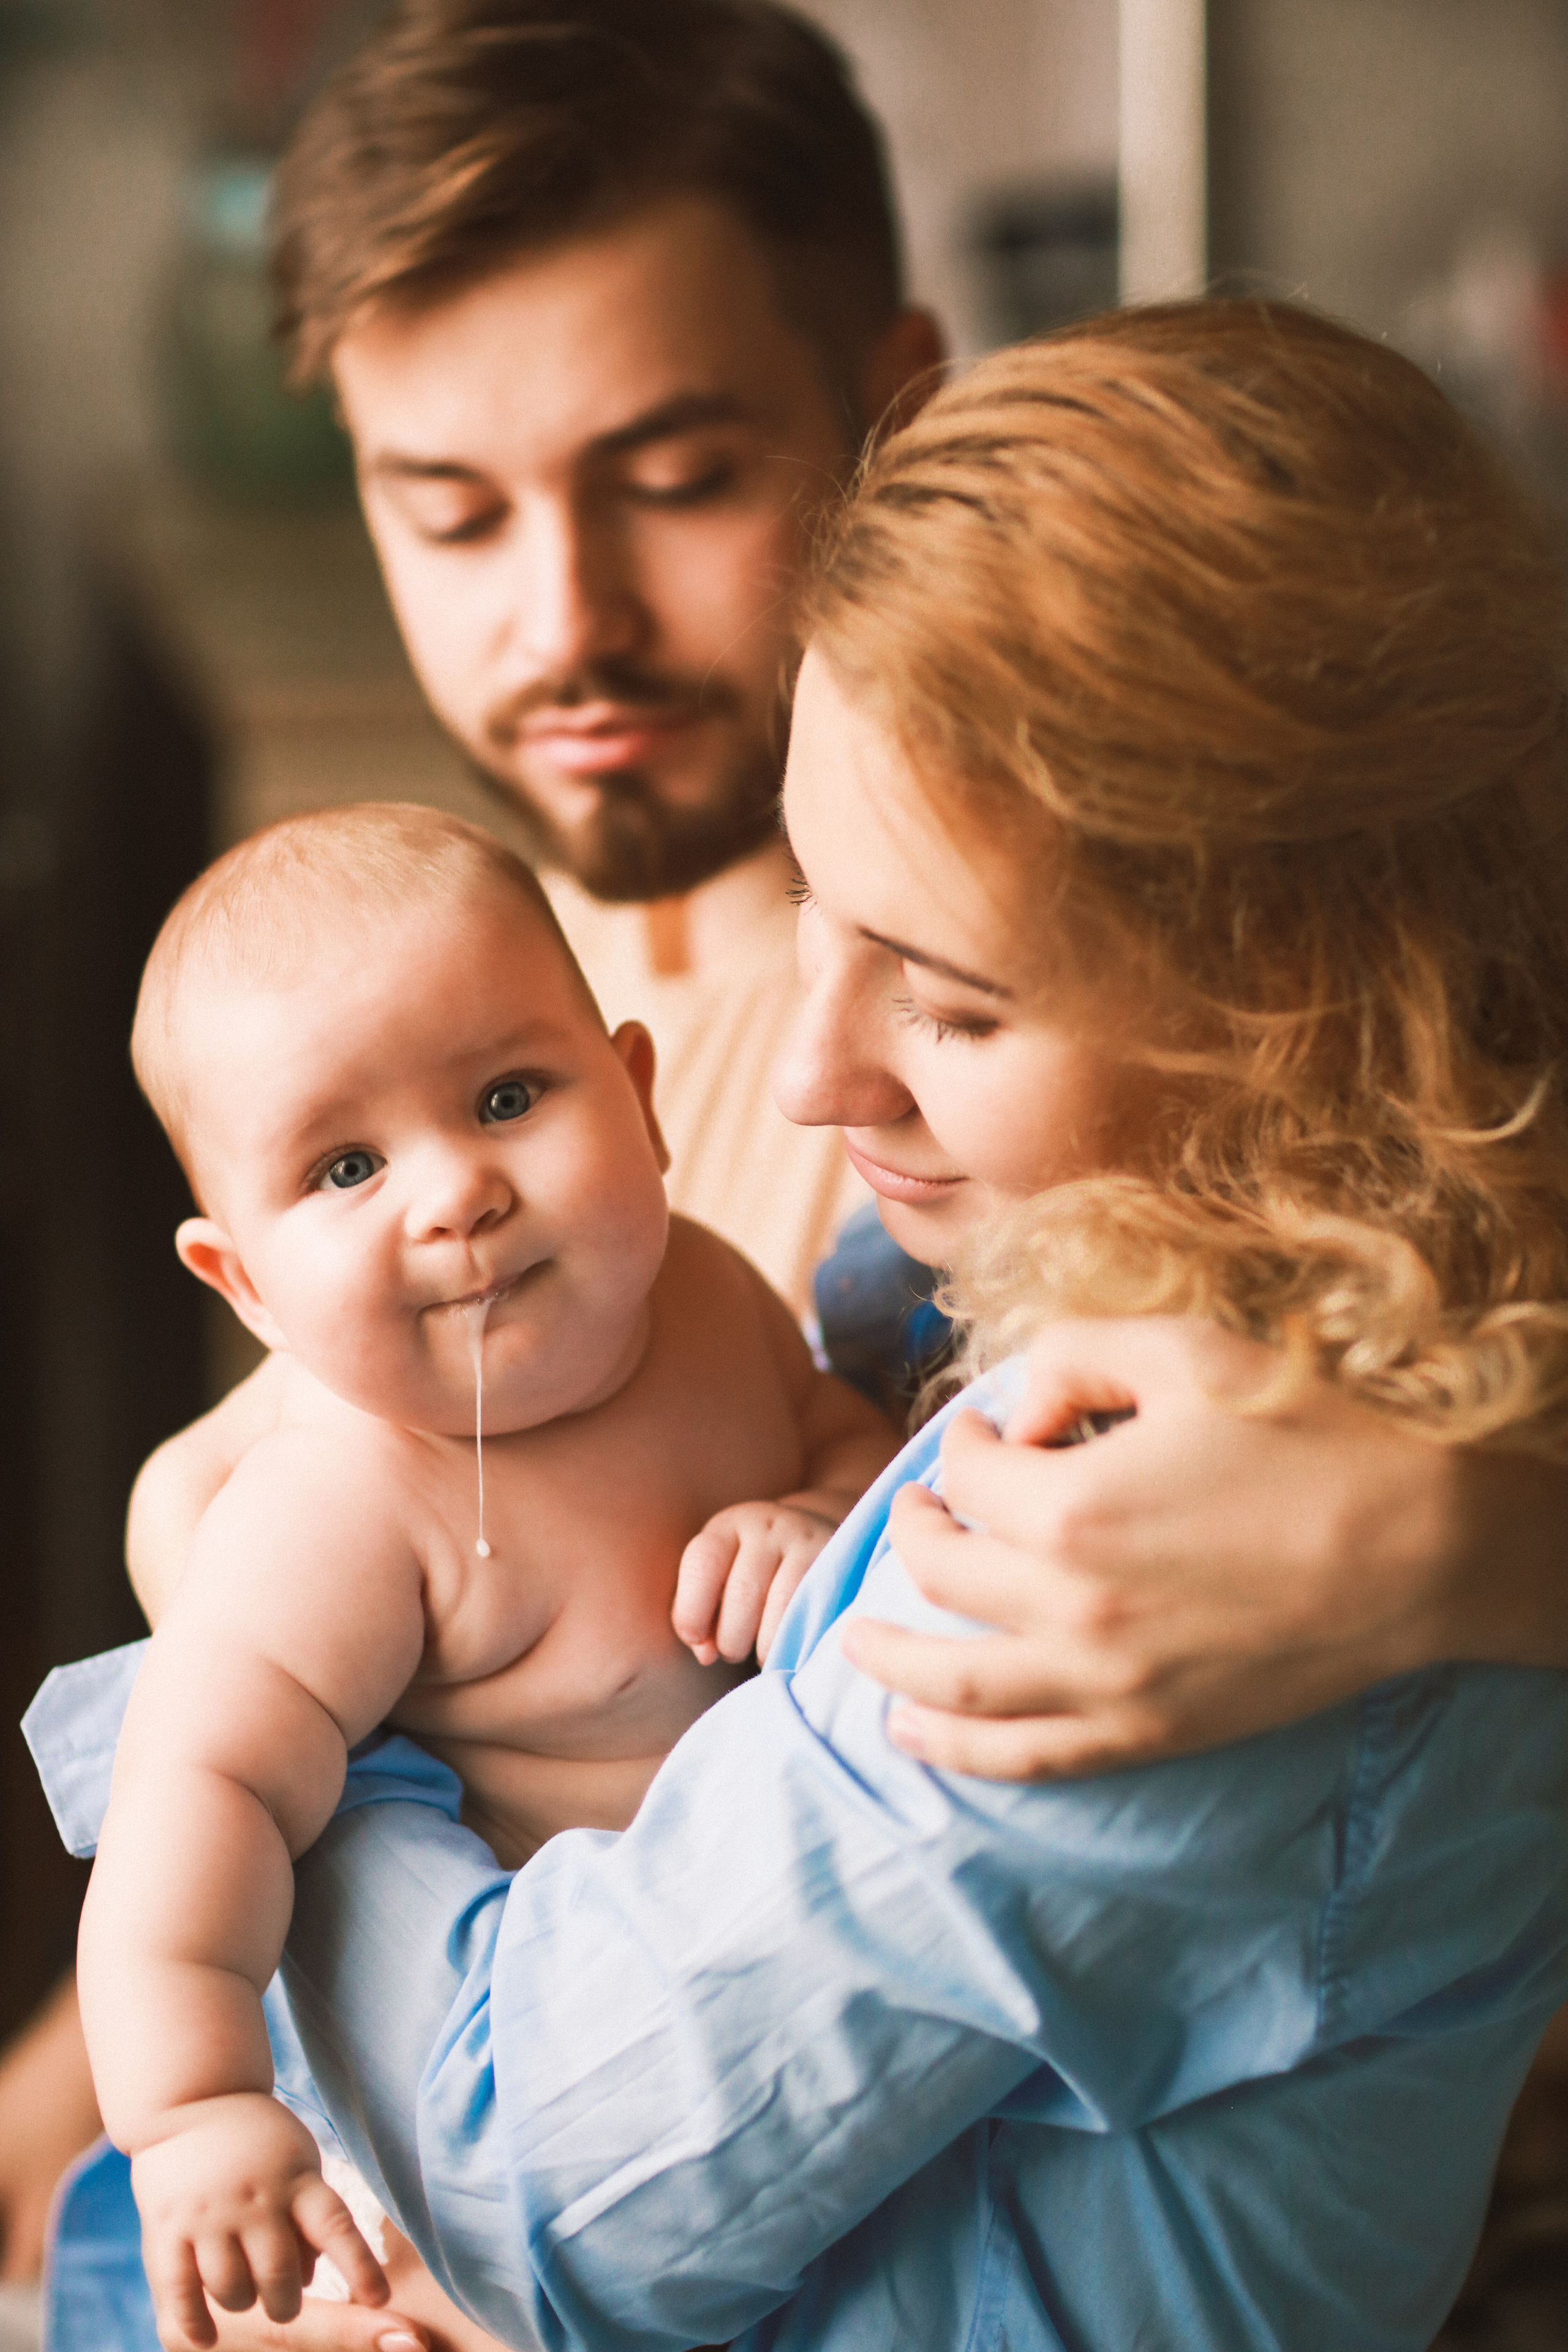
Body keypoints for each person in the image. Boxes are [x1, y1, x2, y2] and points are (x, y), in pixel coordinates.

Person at [11, 0, 1568, 2334]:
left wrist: (240, 1724)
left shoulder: (1099, 1409)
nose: (562, 621)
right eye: (440, 506)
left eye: (674, 471)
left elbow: (542, 2172)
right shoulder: (847, 1139)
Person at [81, 801, 894, 2350]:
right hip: (505, 2087)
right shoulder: (338, 1510)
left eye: (509, 1095)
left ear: (641, 1102)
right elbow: (198, 1796)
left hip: (762, 2010)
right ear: (243, 1284)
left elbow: (849, 1435)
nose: (453, 1192)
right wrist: (190, 2115)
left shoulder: (713, 1294)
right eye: (343, 1167)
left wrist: (813, 1511)